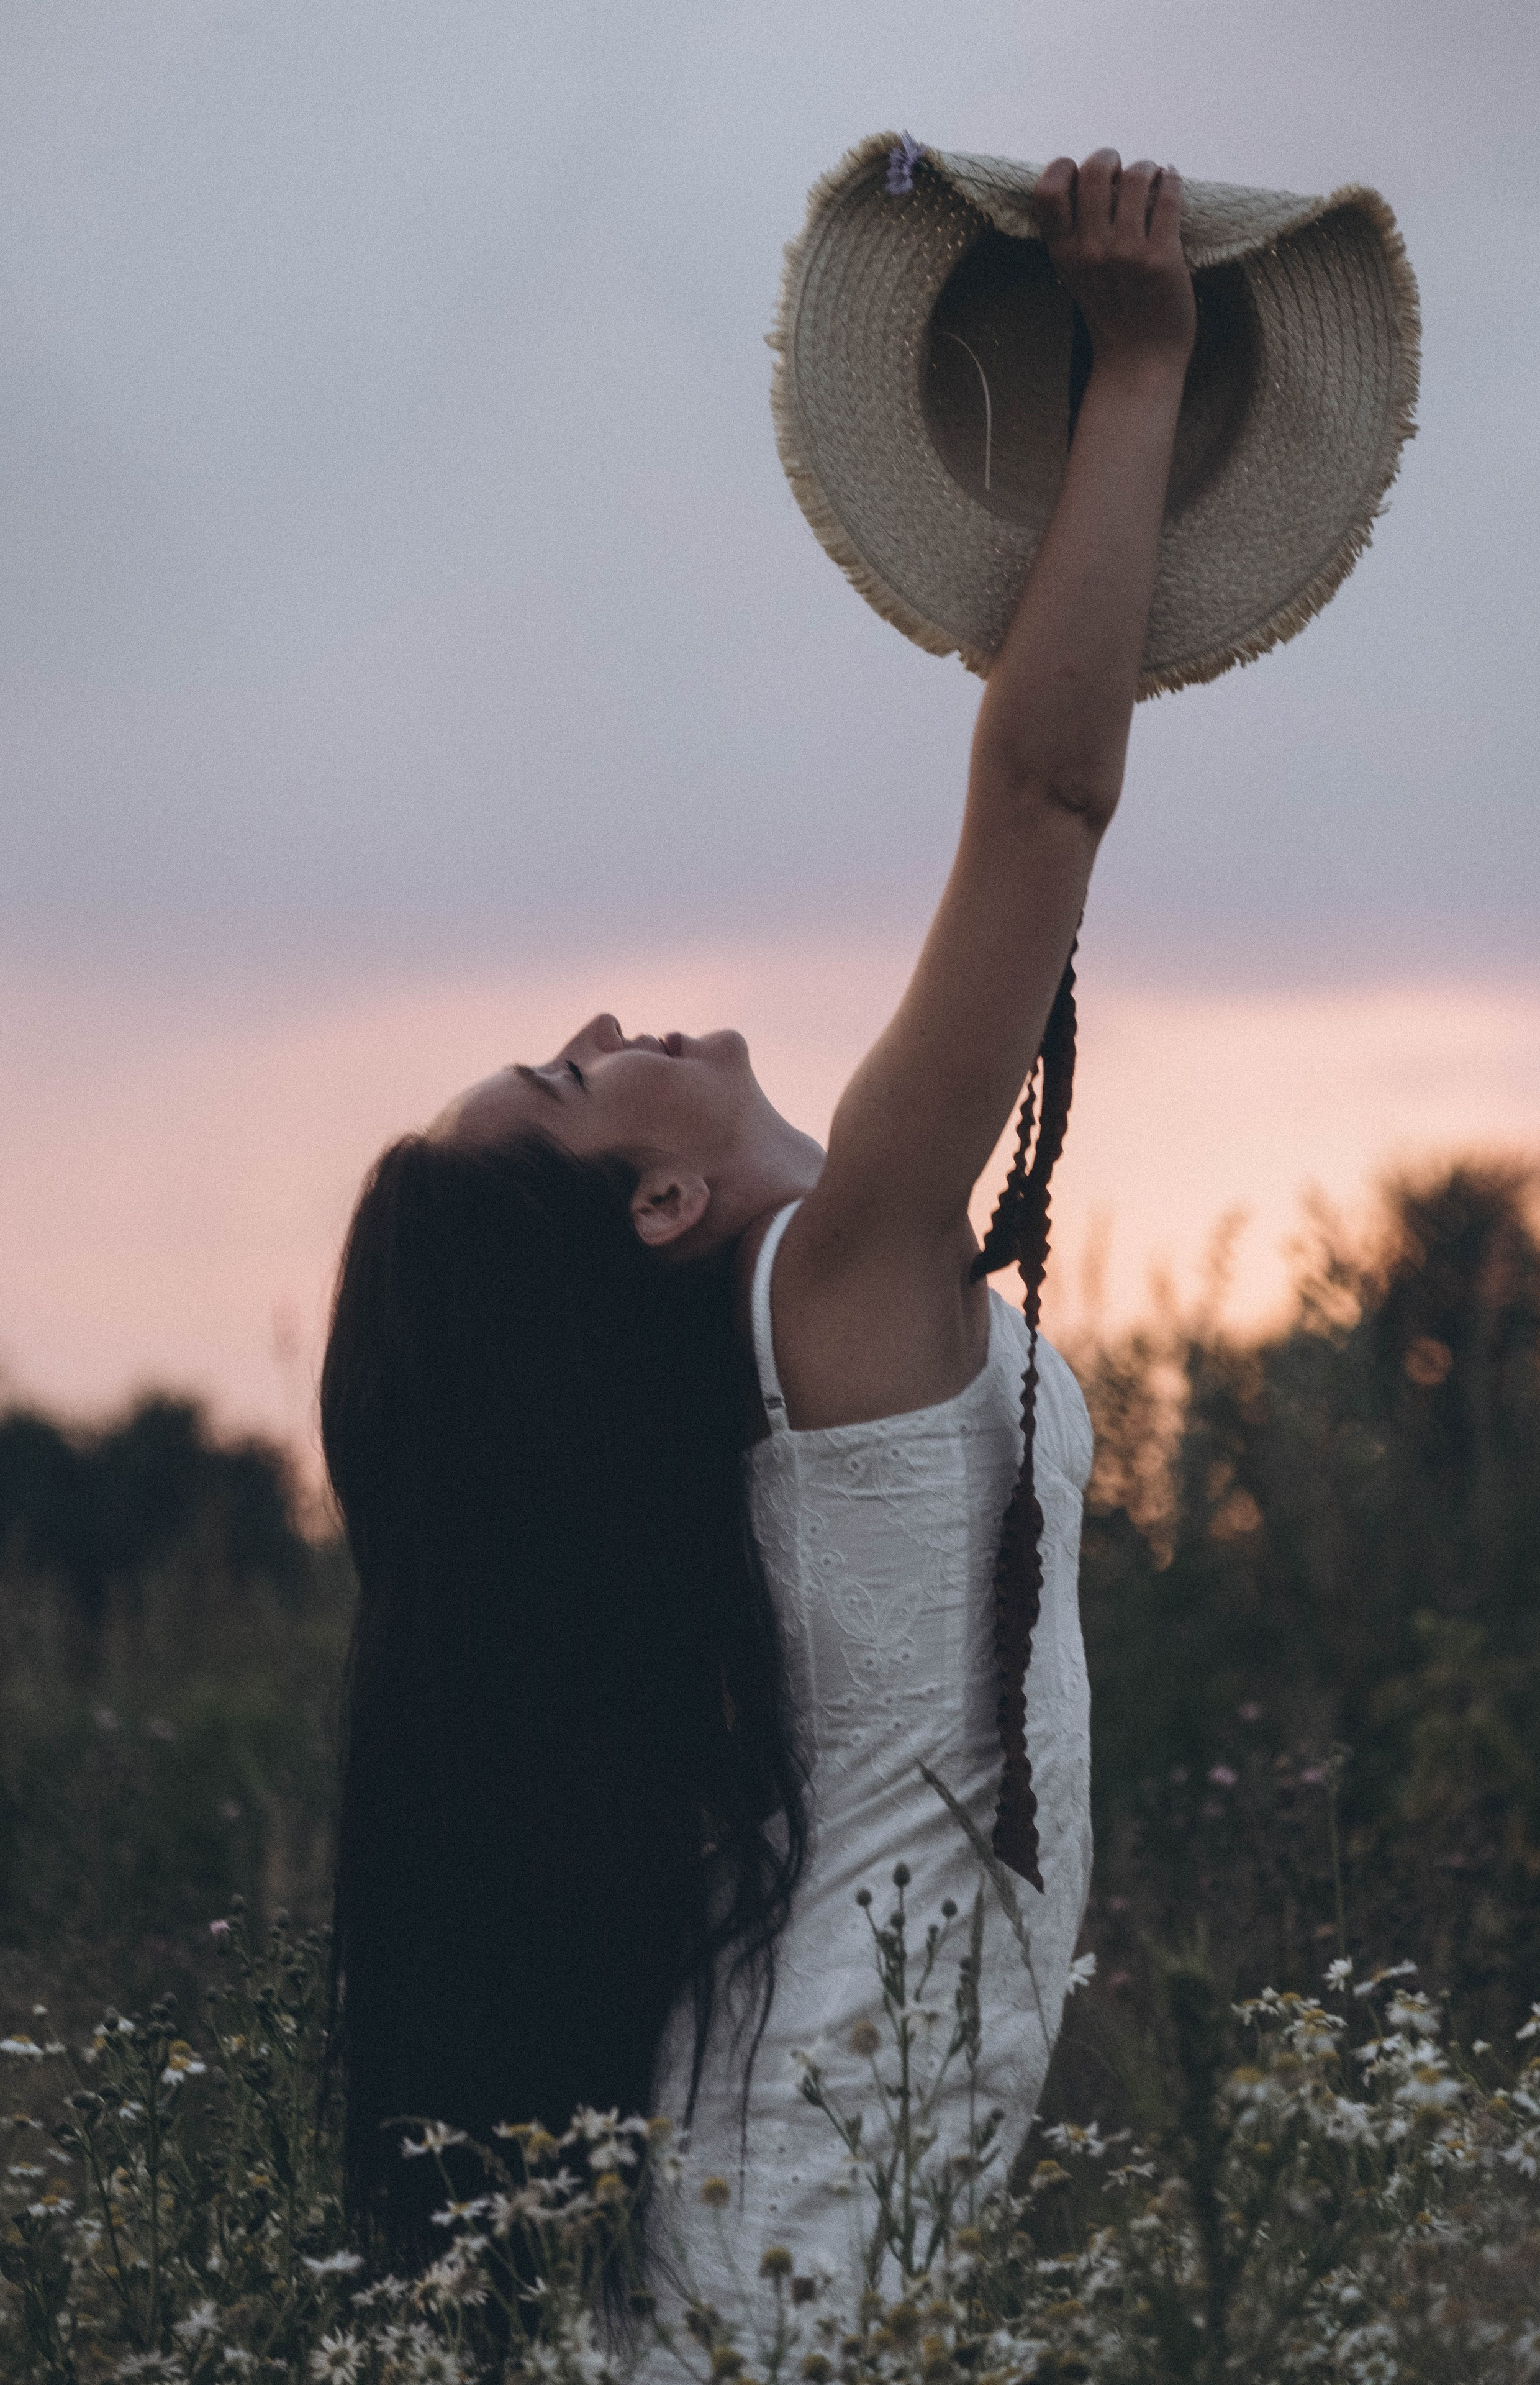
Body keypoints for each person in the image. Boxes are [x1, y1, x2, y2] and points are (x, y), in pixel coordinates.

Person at [320, 147, 1196, 2302]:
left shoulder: (770, 1404)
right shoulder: (846, 1290)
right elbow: (1047, 804)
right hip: (799, 2272)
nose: (610, 1019)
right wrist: (1145, 371)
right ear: (668, 1204)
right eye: (568, 1073)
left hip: (773, 2243)